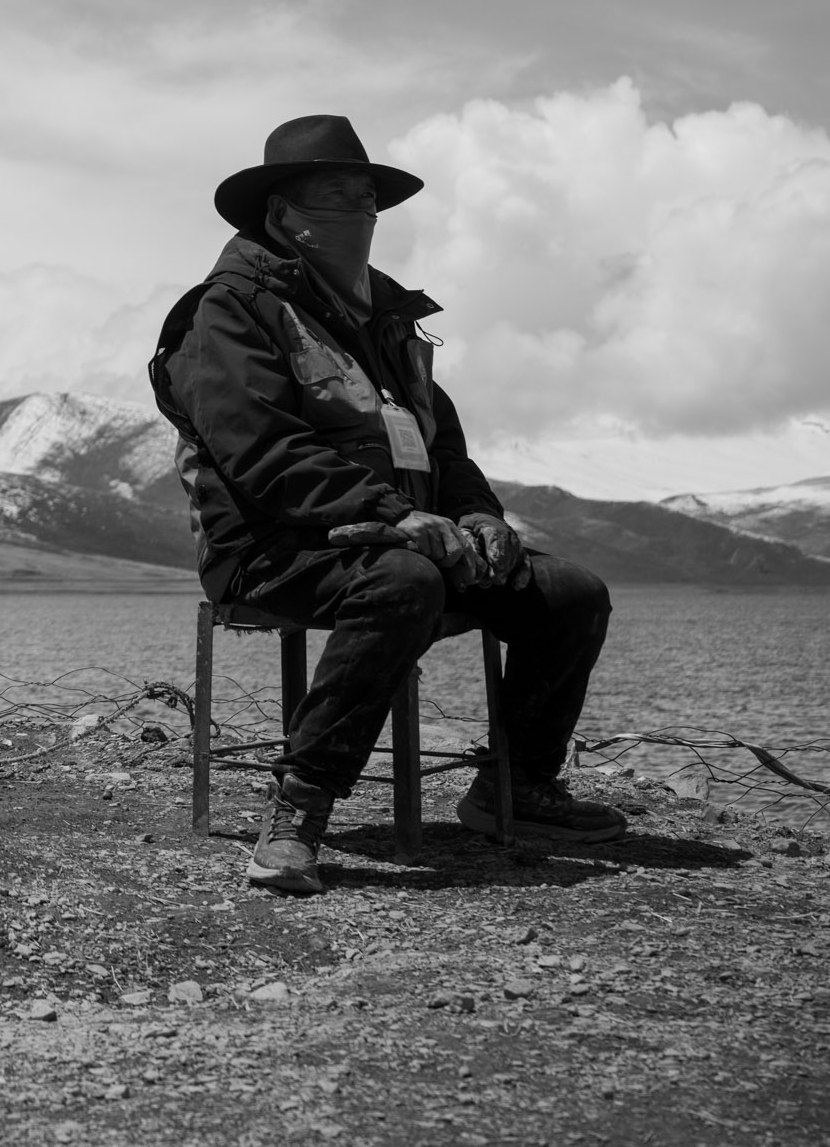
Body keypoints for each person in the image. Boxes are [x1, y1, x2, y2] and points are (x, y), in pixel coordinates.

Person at [149, 115, 624, 895]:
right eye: (338, 196)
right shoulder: (228, 311)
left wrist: (476, 515)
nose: (362, 214)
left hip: (407, 539)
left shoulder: (389, 320)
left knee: (571, 594)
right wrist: (393, 514)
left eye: (368, 198)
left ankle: (520, 788)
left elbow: (444, 449)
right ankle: (298, 808)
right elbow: (260, 449)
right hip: (273, 550)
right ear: (282, 216)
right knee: (403, 584)